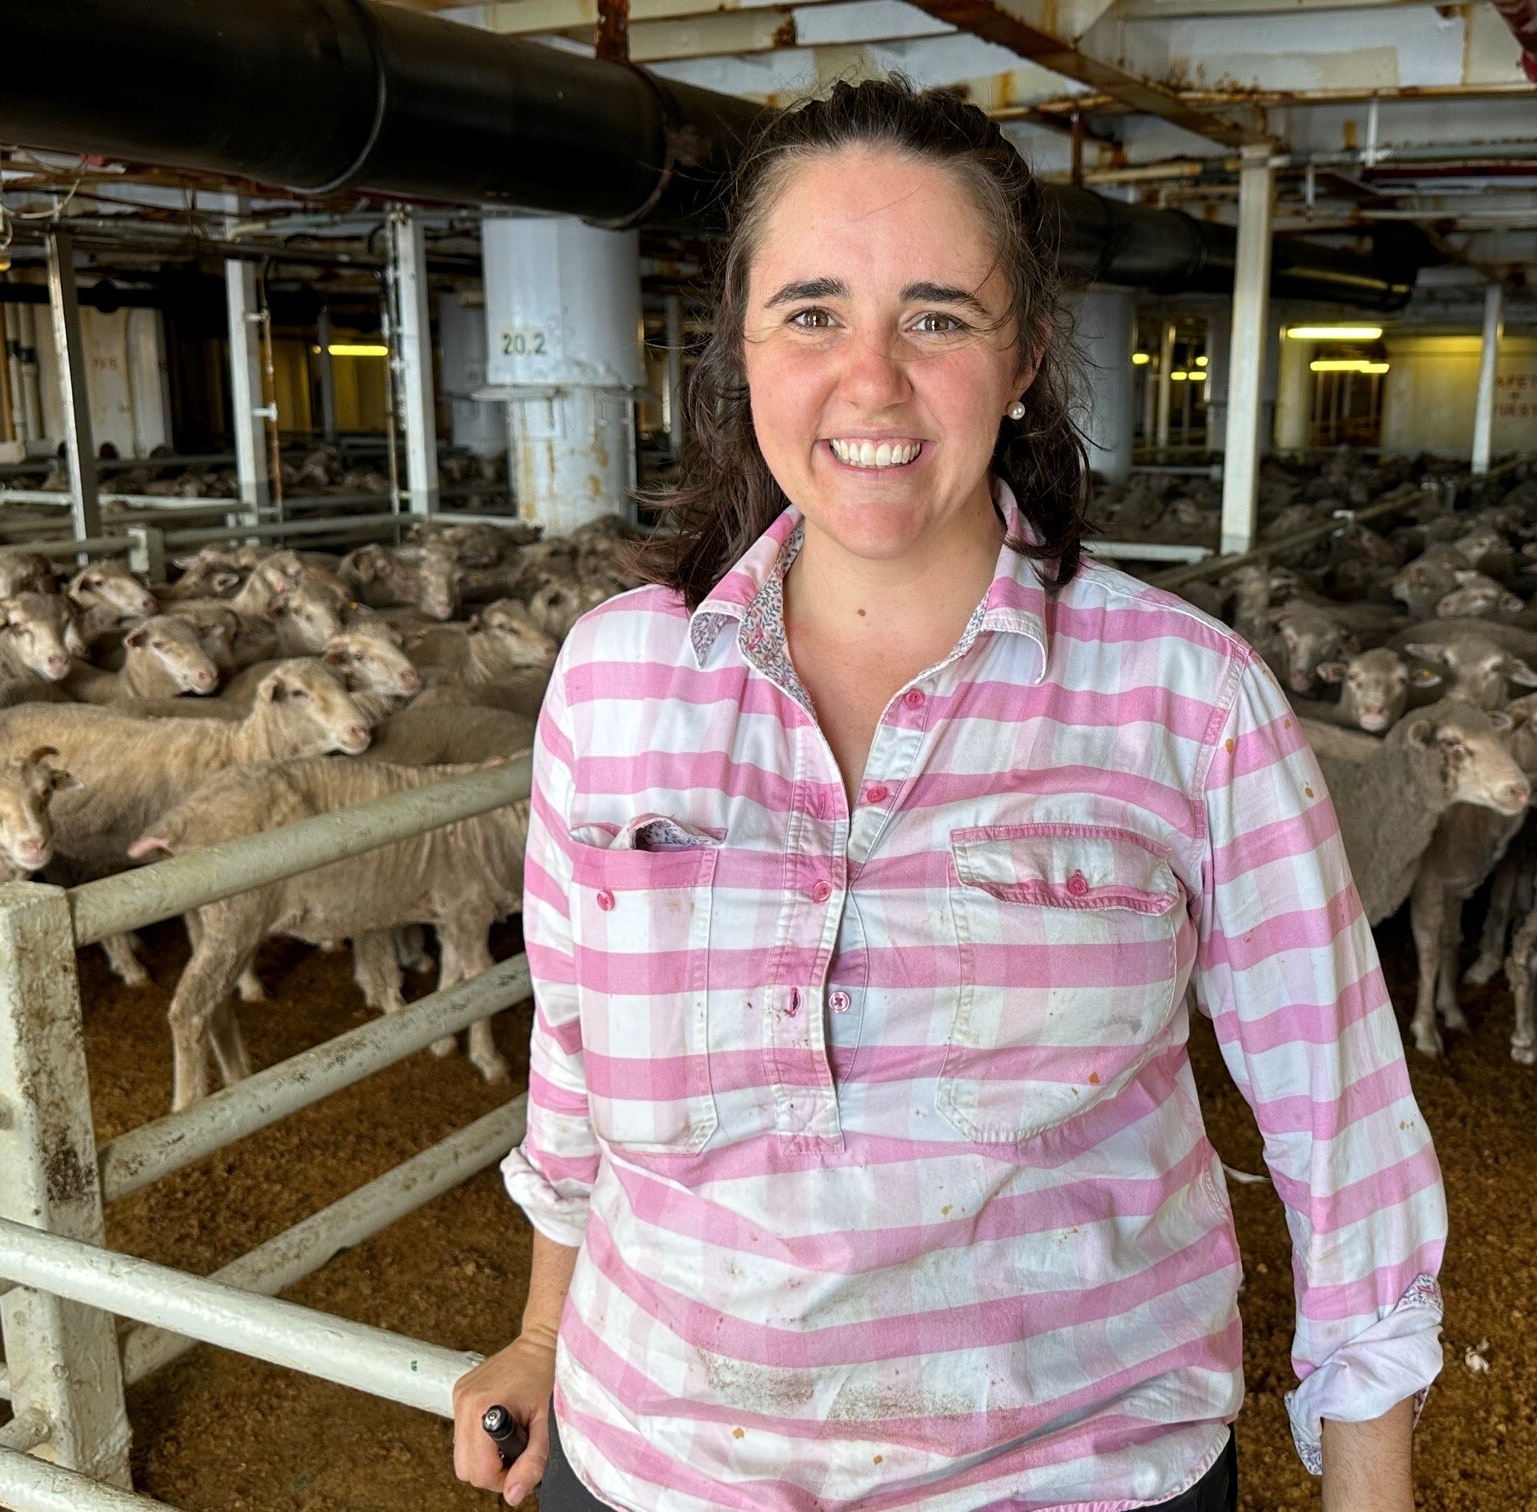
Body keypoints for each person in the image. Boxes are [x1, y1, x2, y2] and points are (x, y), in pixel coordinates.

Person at [452, 75, 1446, 1512]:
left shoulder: (1188, 701)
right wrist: (545, 1336)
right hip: (653, 1462)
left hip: (1076, 1475)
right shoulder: (616, 681)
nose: (871, 383)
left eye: (936, 316)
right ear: (742, 348)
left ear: (1026, 353)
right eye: (812, 314)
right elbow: (581, 1054)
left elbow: (1342, 1130)